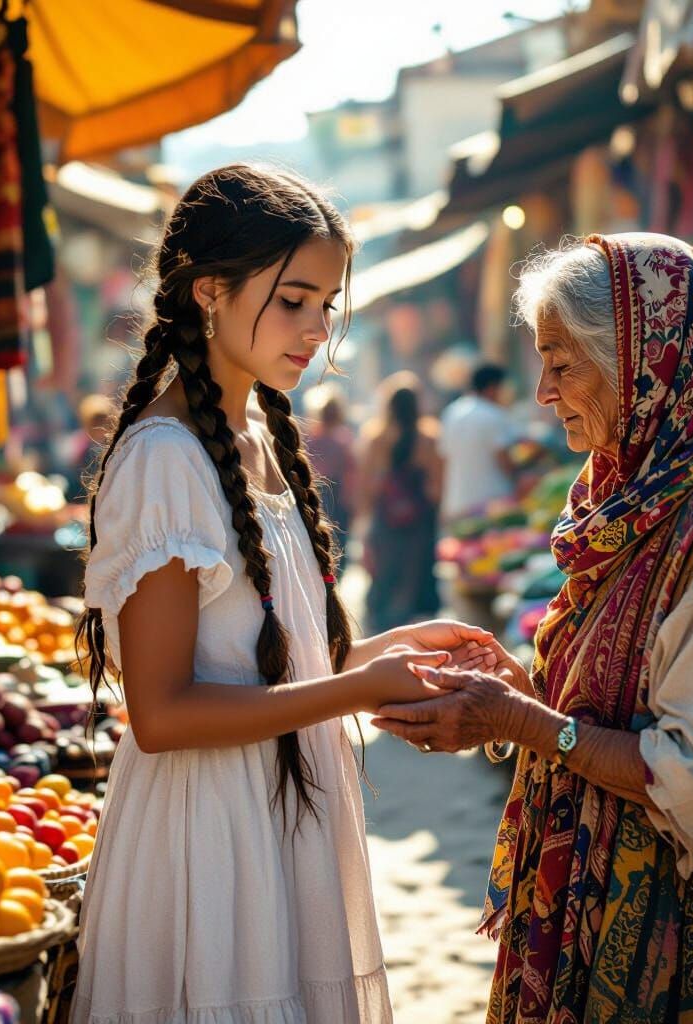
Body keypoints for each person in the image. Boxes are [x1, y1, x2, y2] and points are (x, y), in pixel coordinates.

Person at [373, 234, 693, 1022]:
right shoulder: (650, 486)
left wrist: (524, 722)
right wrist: (528, 690)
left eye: (563, 363)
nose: (542, 391)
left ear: (646, 363)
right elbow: (644, 692)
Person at [70, 165, 496, 1024]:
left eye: (327, 305)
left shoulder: (257, 432)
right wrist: (358, 689)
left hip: (284, 819)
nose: (316, 329)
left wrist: (392, 649)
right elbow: (161, 714)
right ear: (211, 291)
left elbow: (273, 659)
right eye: (293, 299)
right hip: (210, 837)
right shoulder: (166, 457)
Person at [359, 372, 442, 634]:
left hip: (386, 521)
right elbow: (435, 489)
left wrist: (365, 521)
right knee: (417, 575)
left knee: (386, 574)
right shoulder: (429, 437)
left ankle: (383, 633)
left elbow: (368, 486)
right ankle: (421, 632)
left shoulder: (375, 437)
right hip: (420, 522)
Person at [439, 363, 519, 522]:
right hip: (492, 504)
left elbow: (443, 460)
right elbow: (504, 461)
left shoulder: (452, 412)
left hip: (458, 504)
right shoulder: (493, 414)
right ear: (492, 388)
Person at [303, 382, 357, 569]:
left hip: (317, 495)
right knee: (337, 548)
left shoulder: (309, 438)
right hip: (335, 497)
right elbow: (351, 475)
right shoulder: (343, 439)